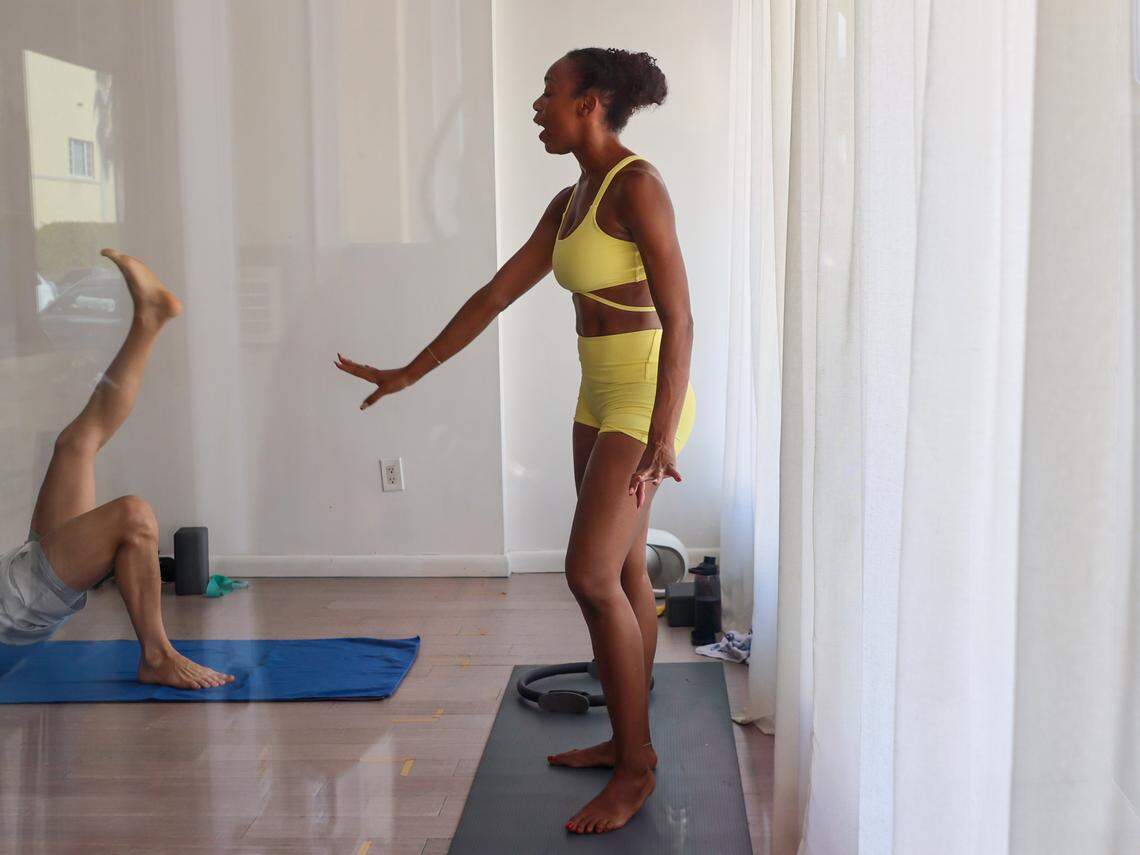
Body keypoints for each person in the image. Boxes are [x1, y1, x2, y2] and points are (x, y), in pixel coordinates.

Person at [335, 48, 693, 835]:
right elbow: (496, 293)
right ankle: (630, 742)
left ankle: (634, 770)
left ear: (590, 103)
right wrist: (410, 371)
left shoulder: (638, 187)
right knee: (623, 570)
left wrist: (664, 431)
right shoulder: (571, 200)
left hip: (640, 392)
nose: (538, 105)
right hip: (596, 389)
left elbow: (681, 318)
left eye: (549, 92)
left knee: (588, 574)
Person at [0, 249, 234, 690]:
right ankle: (157, 656)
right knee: (133, 517)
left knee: (76, 444)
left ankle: (149, 319)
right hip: (9, 612)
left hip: (11, 581)